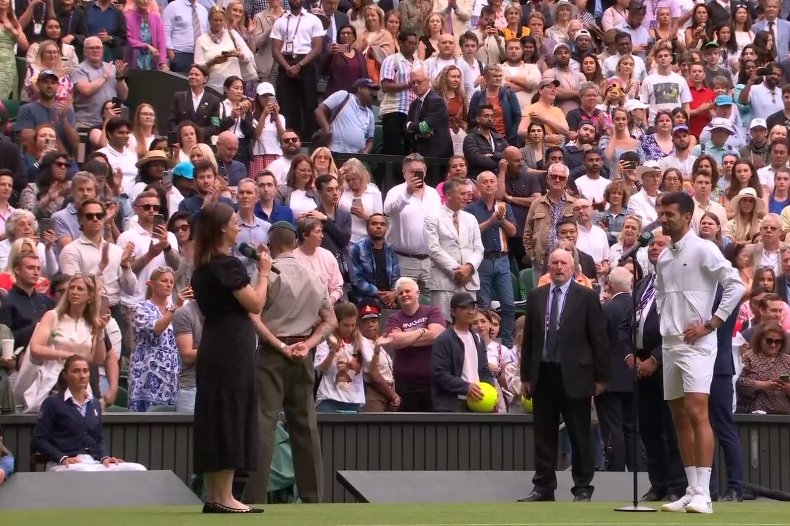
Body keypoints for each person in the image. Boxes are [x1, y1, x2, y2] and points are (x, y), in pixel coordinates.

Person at [655, 191, 744, 515]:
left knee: (696, 412)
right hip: (670, 343)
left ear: (686, 216)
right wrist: (666, 323)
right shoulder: (663, 257)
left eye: (669, 214)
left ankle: (704, 494)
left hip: (698, 345)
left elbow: (735, 284)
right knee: (679, 416)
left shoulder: (705, 248)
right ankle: (691, 489)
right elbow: (661, 296)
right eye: (661, 213)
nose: (663, 219)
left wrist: (712, 323)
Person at [244, 220, 337, 504]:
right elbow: (331, 321)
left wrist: (281, 346)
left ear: (269, 245)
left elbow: (252, 315)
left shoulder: (267, 274)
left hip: (274, 353)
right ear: (296, 243)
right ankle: (313, 497)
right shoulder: (315, 276)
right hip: (303, 354)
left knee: (264, 424)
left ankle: (255, 497)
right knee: (306, 425)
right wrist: (308, 344)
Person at [191, 202, 270, 513]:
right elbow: (255, 304)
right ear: (223, 228)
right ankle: (225, 496)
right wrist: (264, 273)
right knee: (230, 414)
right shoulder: (228, 265)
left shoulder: (202, 267)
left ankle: (215, 494)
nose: (239, 226)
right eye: (235, 222)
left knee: (216, 414)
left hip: (214, 343)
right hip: (231, 347)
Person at [519, 248, 608, 502]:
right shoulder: (536, 296)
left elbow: (599, 338)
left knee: (580, 434)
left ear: (572, 268)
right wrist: (526, 376)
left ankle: (582, 487)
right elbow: (529, 339)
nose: (559, 267)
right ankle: (543, 487)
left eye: (563, 263)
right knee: (544, 434)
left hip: (576, 374)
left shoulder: (587, 297)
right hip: (544, 373)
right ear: (548, 267)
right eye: (554, 263)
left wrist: (601, 377)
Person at [32, 355, 146, 472]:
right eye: (76, 371)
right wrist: (62, 458)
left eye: (85, 371)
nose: (82, 375)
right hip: (62, 464)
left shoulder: (94, 403)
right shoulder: (52, 403)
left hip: (93, 462)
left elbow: (99, 439)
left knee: (138, 469)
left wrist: (105, 458)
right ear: (65, 375)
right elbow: (40, 439)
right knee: (87, 472)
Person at [467, 171, 516, 347]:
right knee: (484, 306)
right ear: (478, 187)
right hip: (483, 261)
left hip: (502, 259)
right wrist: (491, 220)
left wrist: (501, 220)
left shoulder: (504, 206)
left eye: (492, 181)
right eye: (485, 182)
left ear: (497, 185)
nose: (489, 185)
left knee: (508, 304)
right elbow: (471, 233)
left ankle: (507, 344)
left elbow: (513, 231)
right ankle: (485, 344)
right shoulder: (471, 209)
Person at [424, 179, 484, 319]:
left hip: (469, 280)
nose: (467, 197)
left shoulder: (471, 218)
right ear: (449, 195)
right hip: (444, 281)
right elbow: (433, 249)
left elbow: (479, 249)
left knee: (469, 322)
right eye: (462, 194)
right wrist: (457, 270)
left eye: (468, 194)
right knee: (444, 323)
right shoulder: (432, 217)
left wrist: (469, 268)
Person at [595, 266, 636, 472]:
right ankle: (639, 473)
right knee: (633, 429)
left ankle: (616, 473)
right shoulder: (638, 308)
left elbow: (598, 344)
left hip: (609, 381)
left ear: (609, 285)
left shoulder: (604, 310)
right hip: (636, 377)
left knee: (613, 429)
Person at [384, 276, 445, 411]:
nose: (404, 295)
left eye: (407, 291)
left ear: (418, 293)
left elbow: (435, 335)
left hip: (432, 382)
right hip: (405, 384)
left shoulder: (432, 310)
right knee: (409, 424)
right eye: (400, 293)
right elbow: (395, 341)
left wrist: (405, 338)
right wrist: (421, 331)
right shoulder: (394, 318)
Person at [431, 292, 495, 412]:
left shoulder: (478, 338)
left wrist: (491, 390)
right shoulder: (444, 339)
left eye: (472, 307)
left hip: (478, 402)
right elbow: (440, 374)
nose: (470, 312)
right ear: (453, 312)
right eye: (464, 308)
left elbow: (484, 370)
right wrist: (466, 387)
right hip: (454, 404)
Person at [314, 302, 374, 412]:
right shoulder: (326, 340)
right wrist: (332, 351)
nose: (350, 329)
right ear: (337, 323)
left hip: (354, 400)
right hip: (329, 398)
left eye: (353, 325)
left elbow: (371, 366)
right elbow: (323, 369)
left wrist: (376, 351)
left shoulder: (362, 341)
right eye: (346, 325)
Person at [348, 213, 400, 308]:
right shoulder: (356, 249)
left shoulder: (390, 250)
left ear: (386, 228)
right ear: (367, 228)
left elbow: (396, 277)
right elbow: (356, 279)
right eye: (374, 223)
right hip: (366, 298)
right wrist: (378, 293)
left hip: (389, 298)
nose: (379, 227)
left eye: (382, 224)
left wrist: (393, 294)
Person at [406, 66, 453, 158]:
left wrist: (409, 125)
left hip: (436, 155)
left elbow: (425, 127)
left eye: (419, 82)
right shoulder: (414, 104)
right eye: (413, 83)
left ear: (428, 81)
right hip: (418, 154)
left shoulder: (436, 100)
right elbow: (406, 132)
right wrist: (417, 134)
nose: (416, 85)